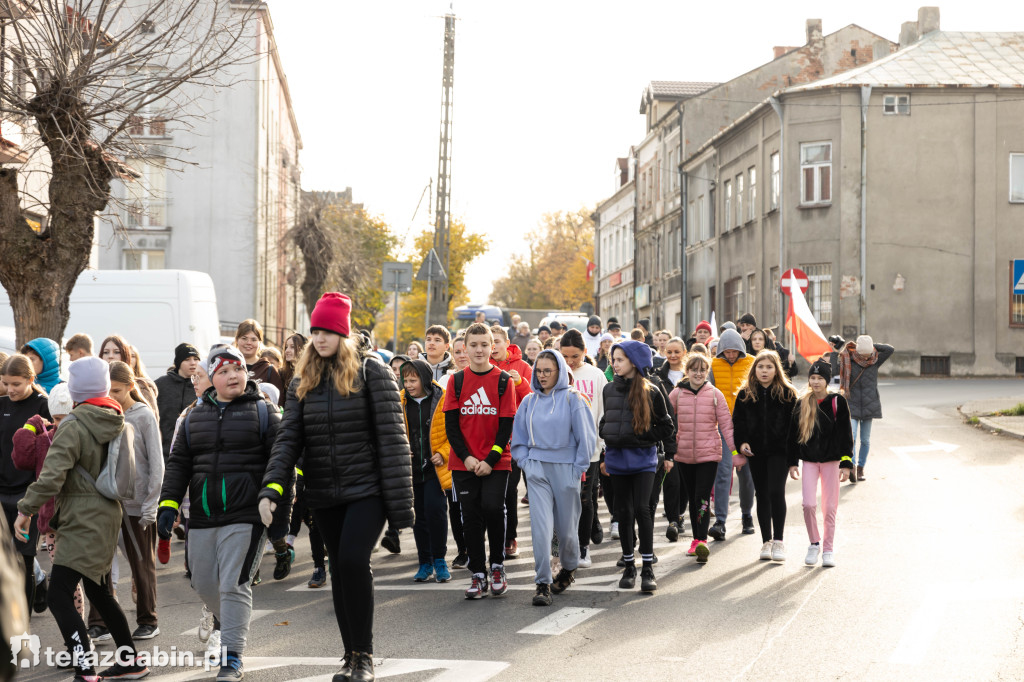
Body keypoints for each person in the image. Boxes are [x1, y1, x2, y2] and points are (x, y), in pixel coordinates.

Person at [259, 292, 413, 682]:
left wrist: (400, 507)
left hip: (367, 490)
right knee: (340, 572)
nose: (320, 337)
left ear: (342, 333)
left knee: (351, 561)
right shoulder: (302, 380)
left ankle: (364, 656)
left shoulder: (372, 372)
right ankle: (350, 655)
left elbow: (393, 440)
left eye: (327, 330)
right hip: (324, 493)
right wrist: (272, 488)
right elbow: (288, 440)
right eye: (315, 331)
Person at [15, 357, 150, 680]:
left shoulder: (74, 424)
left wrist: (26, 509)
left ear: (75, 389)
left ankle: (85, 667)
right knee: (99, 590)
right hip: (106, 514)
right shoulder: (116, 418)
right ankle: (130, 660)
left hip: (81, 517)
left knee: (60, 594)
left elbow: (51, 476)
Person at [157, 346, 284, 681]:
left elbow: (282, 459)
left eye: (238, 369)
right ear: (213, 378)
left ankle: (232, 658)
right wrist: (168, 505)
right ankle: (230, 622)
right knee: (203, 582)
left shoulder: (263, 411)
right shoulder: (193, 415)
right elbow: (179, 464)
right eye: (225, 371)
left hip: (247, 515)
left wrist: (275, 503)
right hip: (201, 515)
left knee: (233, 585)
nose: (233, 376)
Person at [511, 350, 595, 606]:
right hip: (537, 470)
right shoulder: (529, 401)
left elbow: (587, 440)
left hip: (566, 469)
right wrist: (526, 463)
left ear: (560, 371)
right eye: (539, 370)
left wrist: (576, 470)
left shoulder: (574, 399)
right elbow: (519, 438)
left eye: (548, 370)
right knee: (541, 528)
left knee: (568, 531)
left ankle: (569, 568)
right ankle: (542, 583)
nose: (542, 375)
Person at [444, 323, 518, 600]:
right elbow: (451, 426)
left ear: (493, 347)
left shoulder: (503, 381)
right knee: (471, 517)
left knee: (492, 509)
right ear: (464, 348)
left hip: (496, 462)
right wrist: (468, 458)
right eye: (473, 345)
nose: (479, 350)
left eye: (484, 345)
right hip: (463, 463)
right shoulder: (456, 381)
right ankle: (478, 574)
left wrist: (490, 458)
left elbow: (506, 425)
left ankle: (497, 565)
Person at [92, 361, 163, 640]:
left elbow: (157, 464)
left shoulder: (144, 415)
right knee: (100, 565)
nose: (112, 396)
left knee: (142, 564)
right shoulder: (104, 412)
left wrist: (151, 504)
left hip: (138, 504)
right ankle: (100, 620)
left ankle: (149, 619)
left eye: (117, 391)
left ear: (131, 387)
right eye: (107, 391)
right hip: (108, 502)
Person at [600, 340, 674, 593]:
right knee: (623, 511)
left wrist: (641, 438)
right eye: (613, 359)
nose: (615, 364)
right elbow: (605, 421)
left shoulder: (652, 390)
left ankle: (648, 567)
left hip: (643, 460)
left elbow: (666, 426)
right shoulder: (609, 389)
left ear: (633, 361)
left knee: (643, 509)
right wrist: (607, 434)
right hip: (617, 460)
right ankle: (629, 566)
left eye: (620, 359)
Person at [12, 384, 81, 625]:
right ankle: (78, 633)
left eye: (65, 418)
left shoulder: (83, 438)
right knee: (66, 585)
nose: (60, 424)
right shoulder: (45, 440)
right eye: (55, 418)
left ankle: (89, 629)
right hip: (51, 522)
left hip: (78, 519)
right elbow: (22, 458)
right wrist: (30, 426)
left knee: (84, 582)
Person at [668, 352, 738, 564]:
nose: (698, 374)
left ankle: (701, 541)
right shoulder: (677, 394)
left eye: (702, 370)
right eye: (694, 370)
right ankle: (696, 540)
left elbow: (726, 424)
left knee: (702, 496)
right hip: (684, 455)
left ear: (707, 372)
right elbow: (666, 421)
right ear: (687, 371)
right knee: (692, 497)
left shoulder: (715, 394)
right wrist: (666, 448)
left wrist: (735, 453)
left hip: (709, 455)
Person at [787, 360, 854, 568]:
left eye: (820, 378)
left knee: (829, 507)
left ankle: (828, 549)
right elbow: (793, 435)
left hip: (831, 462)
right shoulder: (802, 402)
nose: (816, 382)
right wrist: (792, 462)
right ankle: (814, 543)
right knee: (808, 504)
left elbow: (845, 433)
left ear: (827, 380)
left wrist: (846, 462)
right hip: (809, 461)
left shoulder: (837, 402)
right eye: (813, 378)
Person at [732, 350, 797, 562]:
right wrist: (741, 443)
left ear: (776, 369)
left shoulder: (788, 394)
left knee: (776, 491)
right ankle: (766, 542)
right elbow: (738, 424)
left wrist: (793, 459)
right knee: (761, 494)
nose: (765, 371)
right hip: (756, 453)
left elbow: (795, 429)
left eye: (769, 367)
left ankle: (779, 541)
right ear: (755, 369)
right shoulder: (745, 394)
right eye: (761, 367)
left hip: (780, 452)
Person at [0, 354, 50, 613]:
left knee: (25, 560)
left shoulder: (43, 406)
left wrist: (34, 501)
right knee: (5, 562)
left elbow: (48, 455)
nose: (10, 389)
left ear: (31, 379)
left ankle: (23, 624)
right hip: (2, 493)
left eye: (16, 384)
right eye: (6, 383)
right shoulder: (1, 405)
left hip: (28, 495)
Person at [398, 360, 453, 584]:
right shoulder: (399, 400)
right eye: (406, 380)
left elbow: (455, 431)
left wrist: (443, 453)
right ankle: (425, 562)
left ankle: (440, 560)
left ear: (425, 379)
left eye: (413, 380)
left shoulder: (443, 397)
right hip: (411, 470)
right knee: (418, 517)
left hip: (435, 468)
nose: (409, 385)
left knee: (436, 511)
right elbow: (393, 432)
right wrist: (401, 450)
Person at [557, 330, 606, 569]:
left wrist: (603, 443)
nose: (570, 362)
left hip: (590, 450)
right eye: (564, 356)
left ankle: (583, 548)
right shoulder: (556, 374)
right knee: (565, 499)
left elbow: (604, 411)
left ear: (585, 352)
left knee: (585, 500)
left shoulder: (595, 375)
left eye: (575, 356)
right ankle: (567, 545)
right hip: (562, 450)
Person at [489, 324, 532, 559]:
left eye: (497, 340)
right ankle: (493, 538)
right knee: (490, 496)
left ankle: (510, 538)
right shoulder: (483, 366)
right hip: (487, 438)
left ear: (507, 342)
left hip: (514, 439)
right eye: (489, 341)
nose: (493, 346)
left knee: (509, 491)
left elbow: (534, 400)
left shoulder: (522, 366)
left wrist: (519, 383)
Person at [708, 328, 756, 540]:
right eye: (725, 351)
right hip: (721, 426)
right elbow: (708, 393)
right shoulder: (713, 365)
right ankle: (720, 520)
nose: (730, 355)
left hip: (746, 426)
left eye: (733, 351)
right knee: (723, 473)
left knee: (746, 475)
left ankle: (746, 515)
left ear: (740, 349)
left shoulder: (752, 363)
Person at [838, 335, 895, 482]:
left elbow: (890, 349)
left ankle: (861, 468)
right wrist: (859, 346)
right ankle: (852, 466)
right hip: (852, 403)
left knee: (865, 440)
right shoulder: (848, 358)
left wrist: (870, 345)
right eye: (863, 352)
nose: (866, 355)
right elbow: (837, 363)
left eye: (868, 352)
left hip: (869, 404)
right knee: (853, 436)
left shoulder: (875, 360)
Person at [654, 337, 689, 540]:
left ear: (684, 352)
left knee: (684, 480)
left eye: (677, 351)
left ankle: (681, 513)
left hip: (690, 432)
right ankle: (673, 519)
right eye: (669, 352)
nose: (673, 355)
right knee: (672, 480)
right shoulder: (659, 377)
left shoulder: (691, 372)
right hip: (669, 433)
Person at [155, 343, 201, 462]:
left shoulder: (203, 386)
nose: (193, 363)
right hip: (164, 454)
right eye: (187, 359)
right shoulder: (160, 385)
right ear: (178, 362)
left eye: (196, 359)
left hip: (193, 454)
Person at [100, 335, 159, 416]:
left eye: (116, 352)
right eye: (106, 352)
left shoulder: (142, 386)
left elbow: (151, 421)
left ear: (125, 355)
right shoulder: (97, 385)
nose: (110, 356)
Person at [234, 319, 285, 397]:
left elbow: (278, 404)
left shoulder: (269, 370)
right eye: (244, 338)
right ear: (237, 340)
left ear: (260, 342)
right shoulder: (228, 366)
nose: (249, 343)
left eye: (254, 340)